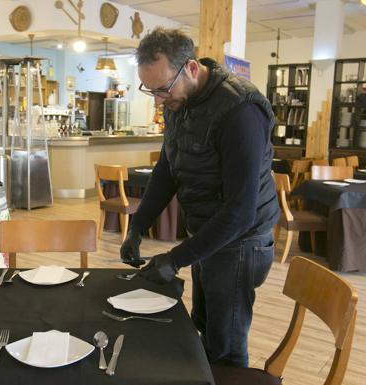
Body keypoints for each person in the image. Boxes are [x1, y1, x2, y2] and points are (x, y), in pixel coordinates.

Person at [120, 27, 279, 367]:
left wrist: (175, 258)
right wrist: (138, 226)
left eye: (163, 90)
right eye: (151, 92)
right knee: (204, 325)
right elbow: (167, 169)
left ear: (190, 68)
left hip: (242, 242)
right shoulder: (178, 100)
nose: (159, 101)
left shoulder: (240, 110)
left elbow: (240, 212)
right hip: (208, 233)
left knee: (226, 346)